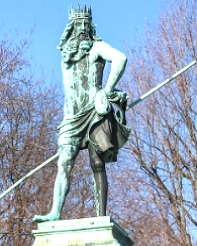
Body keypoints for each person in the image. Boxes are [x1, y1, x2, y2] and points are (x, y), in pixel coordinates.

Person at [33, 5, 130, 223]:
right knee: (64, 163)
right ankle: (55, 212)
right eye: (78, 25)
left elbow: (120, 59)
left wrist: (107, 91)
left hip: (94, 113)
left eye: (86, 25)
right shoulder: (66, 54)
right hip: (71, 119)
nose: (82, 29)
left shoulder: (97, 48)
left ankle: (101, 217)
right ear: (71, 28)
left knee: (97, 164)